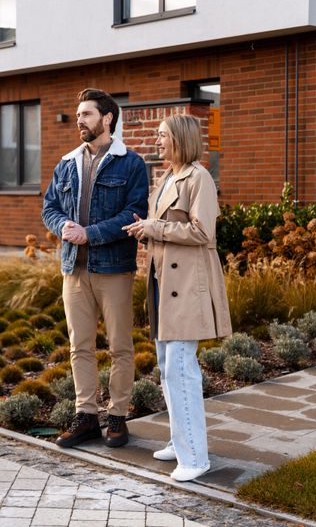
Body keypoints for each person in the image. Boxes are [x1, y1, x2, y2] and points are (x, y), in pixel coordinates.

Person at [122, 114, 232, 482]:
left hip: (187, 287)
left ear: (180, 139)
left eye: (162, 135)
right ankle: (179, 441)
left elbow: (202, 231)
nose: (157, 141)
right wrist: (145, 230)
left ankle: (196, 458)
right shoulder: (168, 176)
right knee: (168, 368)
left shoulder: (199, 177)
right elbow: (166, 229)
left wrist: (153, 227)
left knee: (181, 370)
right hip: (163, 283)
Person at [42, 88, 148, 449]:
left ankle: (118, 416)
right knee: (80, 346)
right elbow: (50, 208)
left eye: (86, 114)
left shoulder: (130, 163)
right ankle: (86, 416)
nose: (79, 120)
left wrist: (91, 233)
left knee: (120, 346)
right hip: (74, 269)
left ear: (107, 119)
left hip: (114, 269)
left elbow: (134, 213)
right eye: (77, 115)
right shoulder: (67, 162)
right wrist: (64, 229)